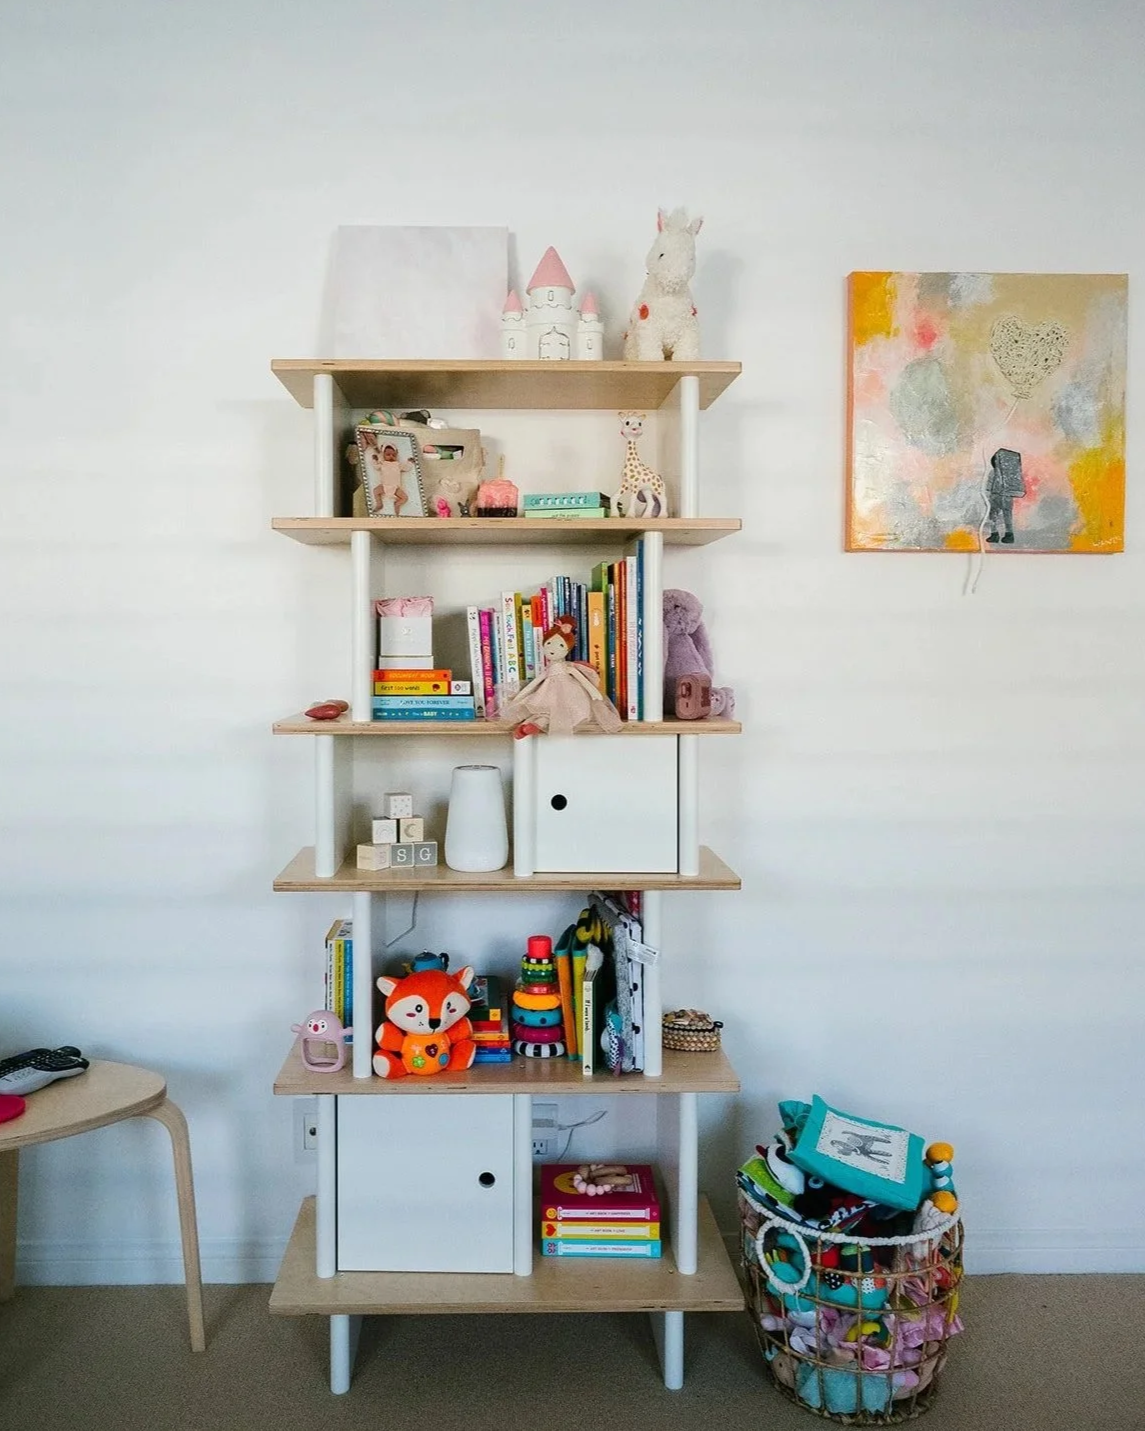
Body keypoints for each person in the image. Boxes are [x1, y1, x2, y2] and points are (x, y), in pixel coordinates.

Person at [500, 616, 622, 737]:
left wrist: (594, 693)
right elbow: (533, 684)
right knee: (543, 712)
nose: (552, 649)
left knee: (557, 713)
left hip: (568, 694)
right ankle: (527, 727)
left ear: (567, 649)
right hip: (548, 693)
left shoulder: (569, 668)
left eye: (561, 646)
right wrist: (520, 696)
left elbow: (581, 679)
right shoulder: (548, 671)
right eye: (548, 644)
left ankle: (529, 727)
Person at [986, 447, 1025, 544]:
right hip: (1005, 496)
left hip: (997, 495)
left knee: (995, 515)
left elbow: (989, 486)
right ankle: (1006, 534)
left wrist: (988, 494)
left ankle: (997, 534)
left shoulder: (994, 472)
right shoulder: (1009, 474)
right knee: (1005, 515)